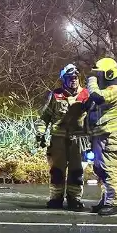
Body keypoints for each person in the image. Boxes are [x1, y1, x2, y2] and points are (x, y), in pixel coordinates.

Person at [36, 64, 89, 211]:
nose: (73, 80)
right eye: (70, 78)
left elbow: (93, 118)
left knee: (77, 171)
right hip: (58, 140)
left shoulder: (86, 95)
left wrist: (93, 136)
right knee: (57, 171)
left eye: (75, 78)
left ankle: (75, 199)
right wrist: (40, 133)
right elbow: (44, 117)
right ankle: (55, 198)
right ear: (63, 79)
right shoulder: (55, 95)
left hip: (78, 141)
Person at [85, 57, 117, 217]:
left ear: (108, 74)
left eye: (99, 75)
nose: (97, 78)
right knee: (100, 169)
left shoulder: (115, 90)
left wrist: (91, 79)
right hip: (102, 135)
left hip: (110, 136)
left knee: (108, 168)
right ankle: (106, 199)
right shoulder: (108, 90)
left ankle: (113, 203)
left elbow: (98, 97)